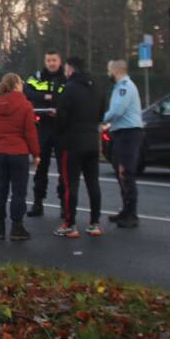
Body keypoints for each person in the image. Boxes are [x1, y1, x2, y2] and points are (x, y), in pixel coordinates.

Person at [0, 73, 40, 241]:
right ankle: (17, 228)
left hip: (0, 153)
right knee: (18, 193)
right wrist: (36, 154)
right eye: (21, 83)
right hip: (19, 154)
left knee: (0, 192)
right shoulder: (25, 105)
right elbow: (30, 133)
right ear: (16, 85)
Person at [53, 56, 104, 238]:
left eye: (66, 69)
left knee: (70, 184)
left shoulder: (70, 88)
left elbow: (62, 117)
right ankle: (95, 223)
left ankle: (70, 224)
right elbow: (101, 113)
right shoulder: (97, 86)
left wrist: (59, 132)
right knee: (93, 183)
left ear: (71, 69)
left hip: (73, 142)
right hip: (92, 141)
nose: (65, 72)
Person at [23, 50, 66, 217]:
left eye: (54, 60)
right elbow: (27, 91)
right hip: (43, 127)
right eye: (48, 60)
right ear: (45, 61)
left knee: (64, 169)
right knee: (40, 167)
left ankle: (64, 205)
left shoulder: (66, 78)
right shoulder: (37, 77)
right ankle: (38, 203)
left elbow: (71, 96)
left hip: (61, 127)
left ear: (59, 61)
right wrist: (47, 97)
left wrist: (52, 100)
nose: (51, 63)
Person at [103, 59, 144, 228]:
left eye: (109, 70)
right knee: (121, 173)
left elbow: (117, 111)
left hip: (128, 134)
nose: (108, 74)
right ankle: (126, 210)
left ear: (115, 71)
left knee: (126, 173)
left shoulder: (124, 87)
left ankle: (131, 214)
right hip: (122, 133)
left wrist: (100, 119)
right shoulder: (120, 87)